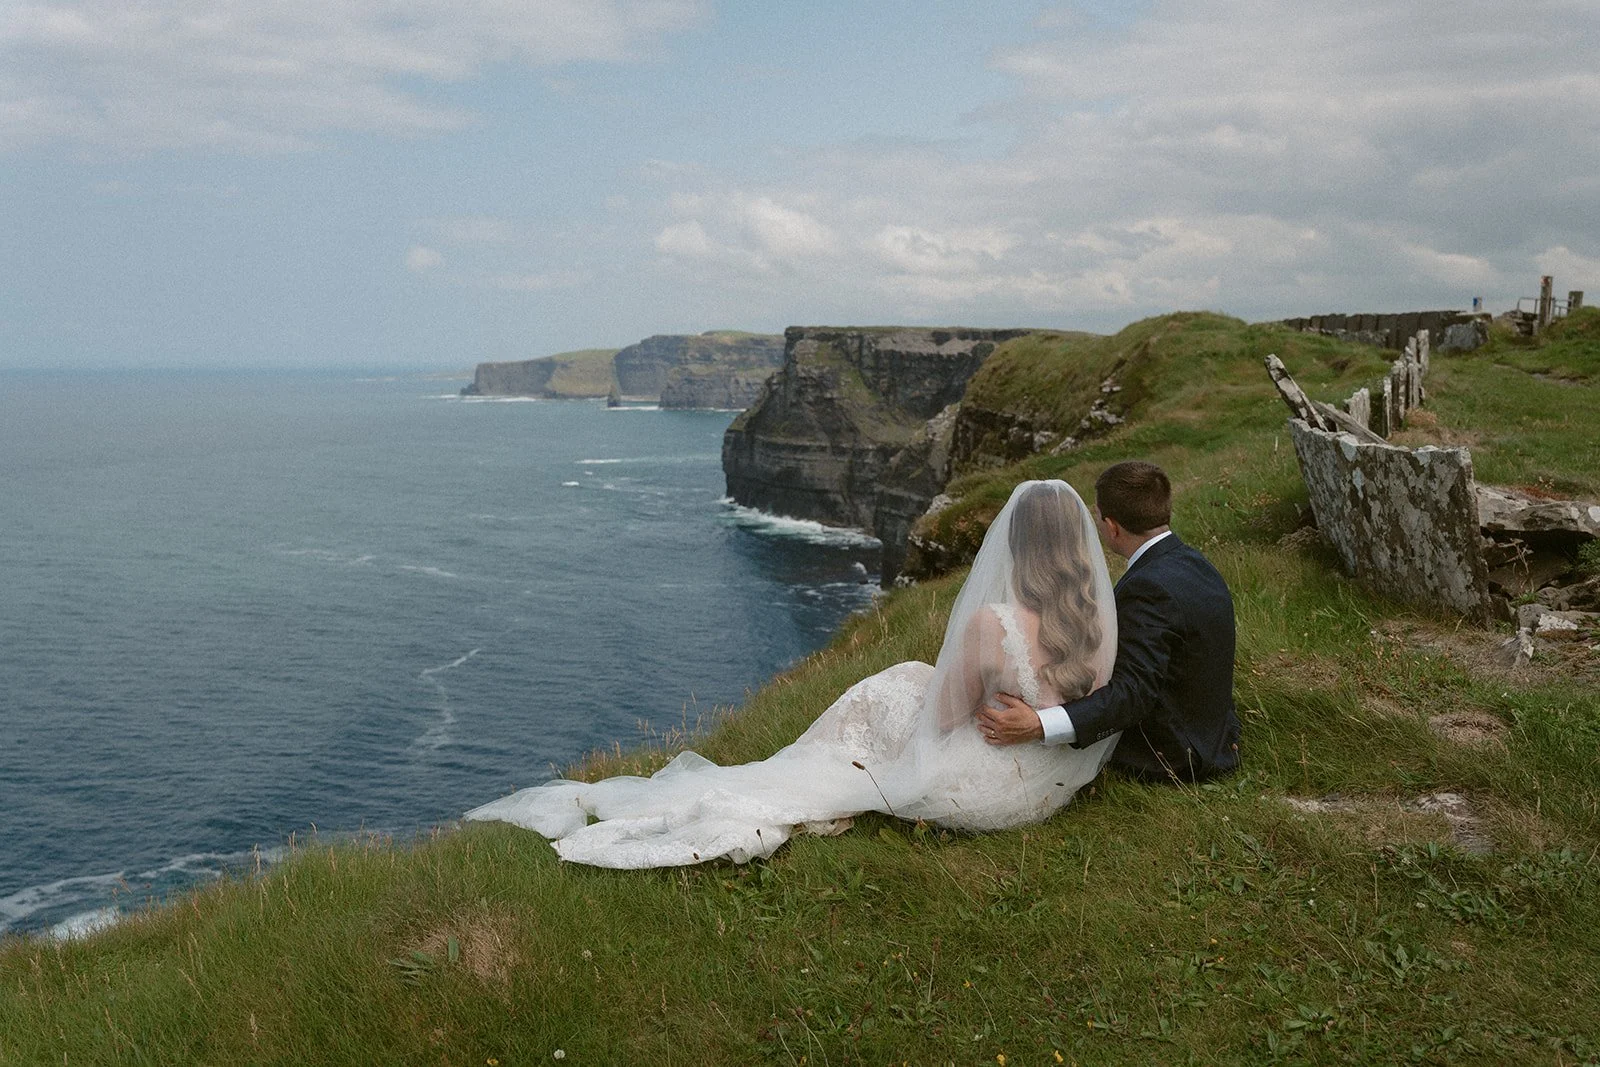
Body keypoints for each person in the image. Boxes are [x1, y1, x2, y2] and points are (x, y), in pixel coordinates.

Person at [465, 479, 1122, 867]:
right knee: (910, 673)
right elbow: (1089, 705)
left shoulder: (994, 625)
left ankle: (802, 760)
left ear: (1017, 544)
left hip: (977, 789)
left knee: (889, 688)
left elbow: (944, 719)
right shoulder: (1095, 622)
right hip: (1045, 782)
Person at [977, 461, 1241, 783]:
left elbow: (1134, 691)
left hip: (1172, 756)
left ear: (1112, 527)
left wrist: (1040, 725)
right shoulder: (1196, 564)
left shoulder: (1148, 588)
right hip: (1216, 737)